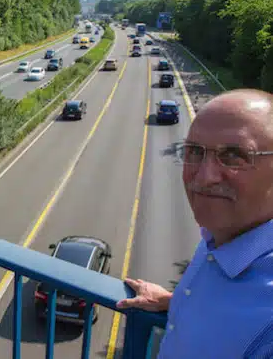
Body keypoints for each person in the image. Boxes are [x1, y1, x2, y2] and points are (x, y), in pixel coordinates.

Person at [117, 89, 273, 358]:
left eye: (234, 155)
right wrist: (174, 301)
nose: (205, 176)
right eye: (194, 152)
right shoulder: (221, 236)